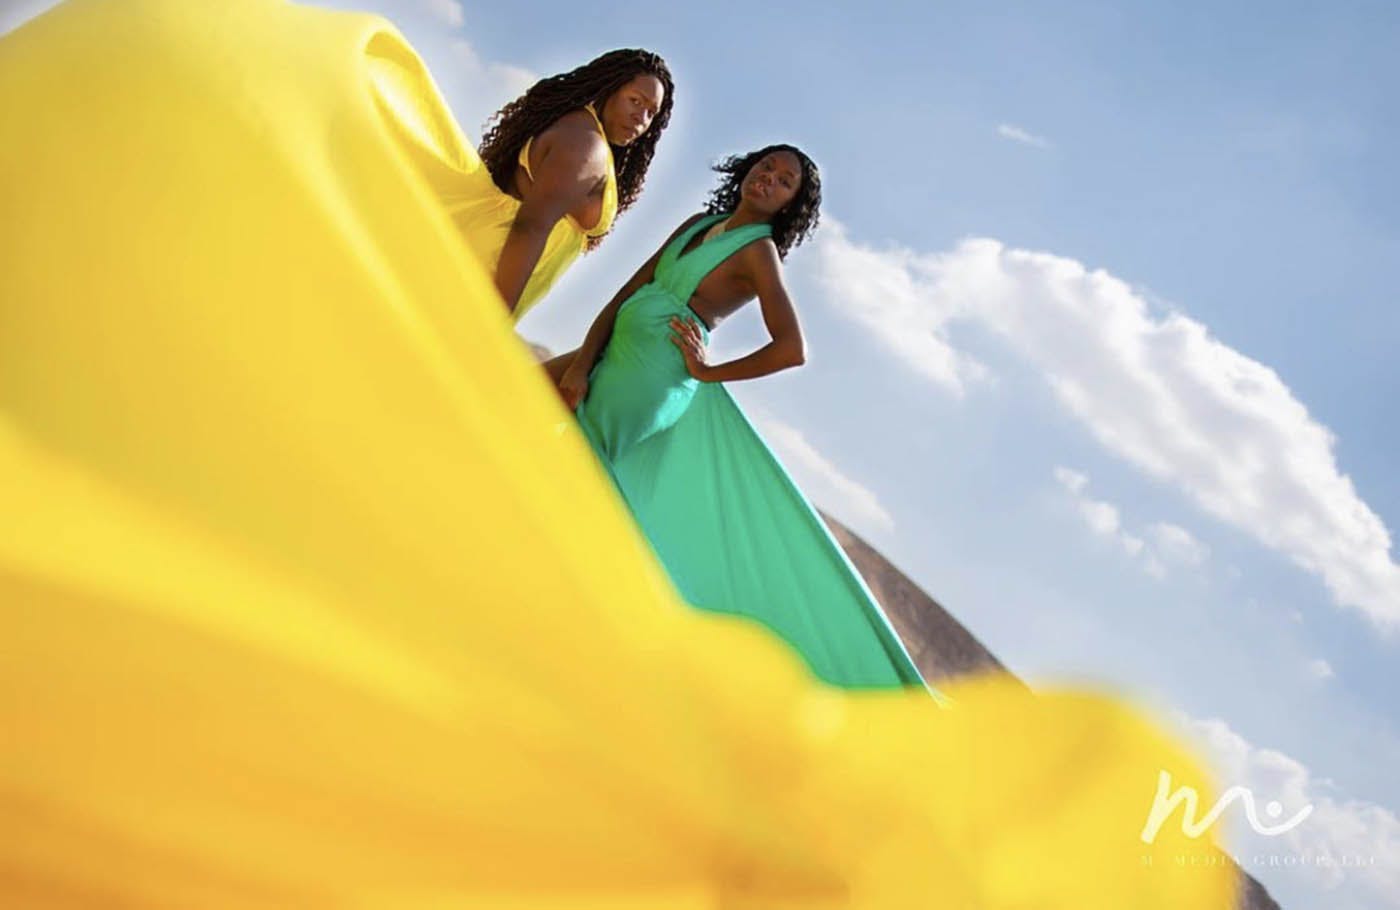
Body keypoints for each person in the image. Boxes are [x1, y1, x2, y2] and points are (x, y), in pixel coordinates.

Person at [554, 146, 925, 690]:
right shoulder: (699, 224)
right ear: (747, 168)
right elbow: (629, 293)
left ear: (789, 206)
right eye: (766, 168)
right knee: (531, 395)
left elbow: (791, 348)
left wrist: (708, 373)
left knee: (580, 473)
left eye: (784, 182)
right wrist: (582, 363)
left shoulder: (759, 254)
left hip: (651, 379)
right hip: (611, 353)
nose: (769, 180)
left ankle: (582, 626)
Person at [444, 49, 674, 320]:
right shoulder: (587, 147)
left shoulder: (580, 130)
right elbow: (530, 227)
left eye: (651, 113)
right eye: (635, 101)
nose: (642, 118)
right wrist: (494, 317)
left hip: (482, 268)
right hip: (484, 279)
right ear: (608, 89)